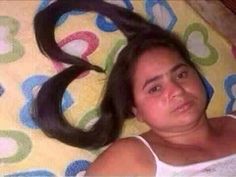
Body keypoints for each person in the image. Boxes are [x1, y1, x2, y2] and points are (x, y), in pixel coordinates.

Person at [33, 0, 236, 176]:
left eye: (181, 74)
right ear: (136, 110)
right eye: (154, 88)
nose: (176, 90)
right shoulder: (130, 158)